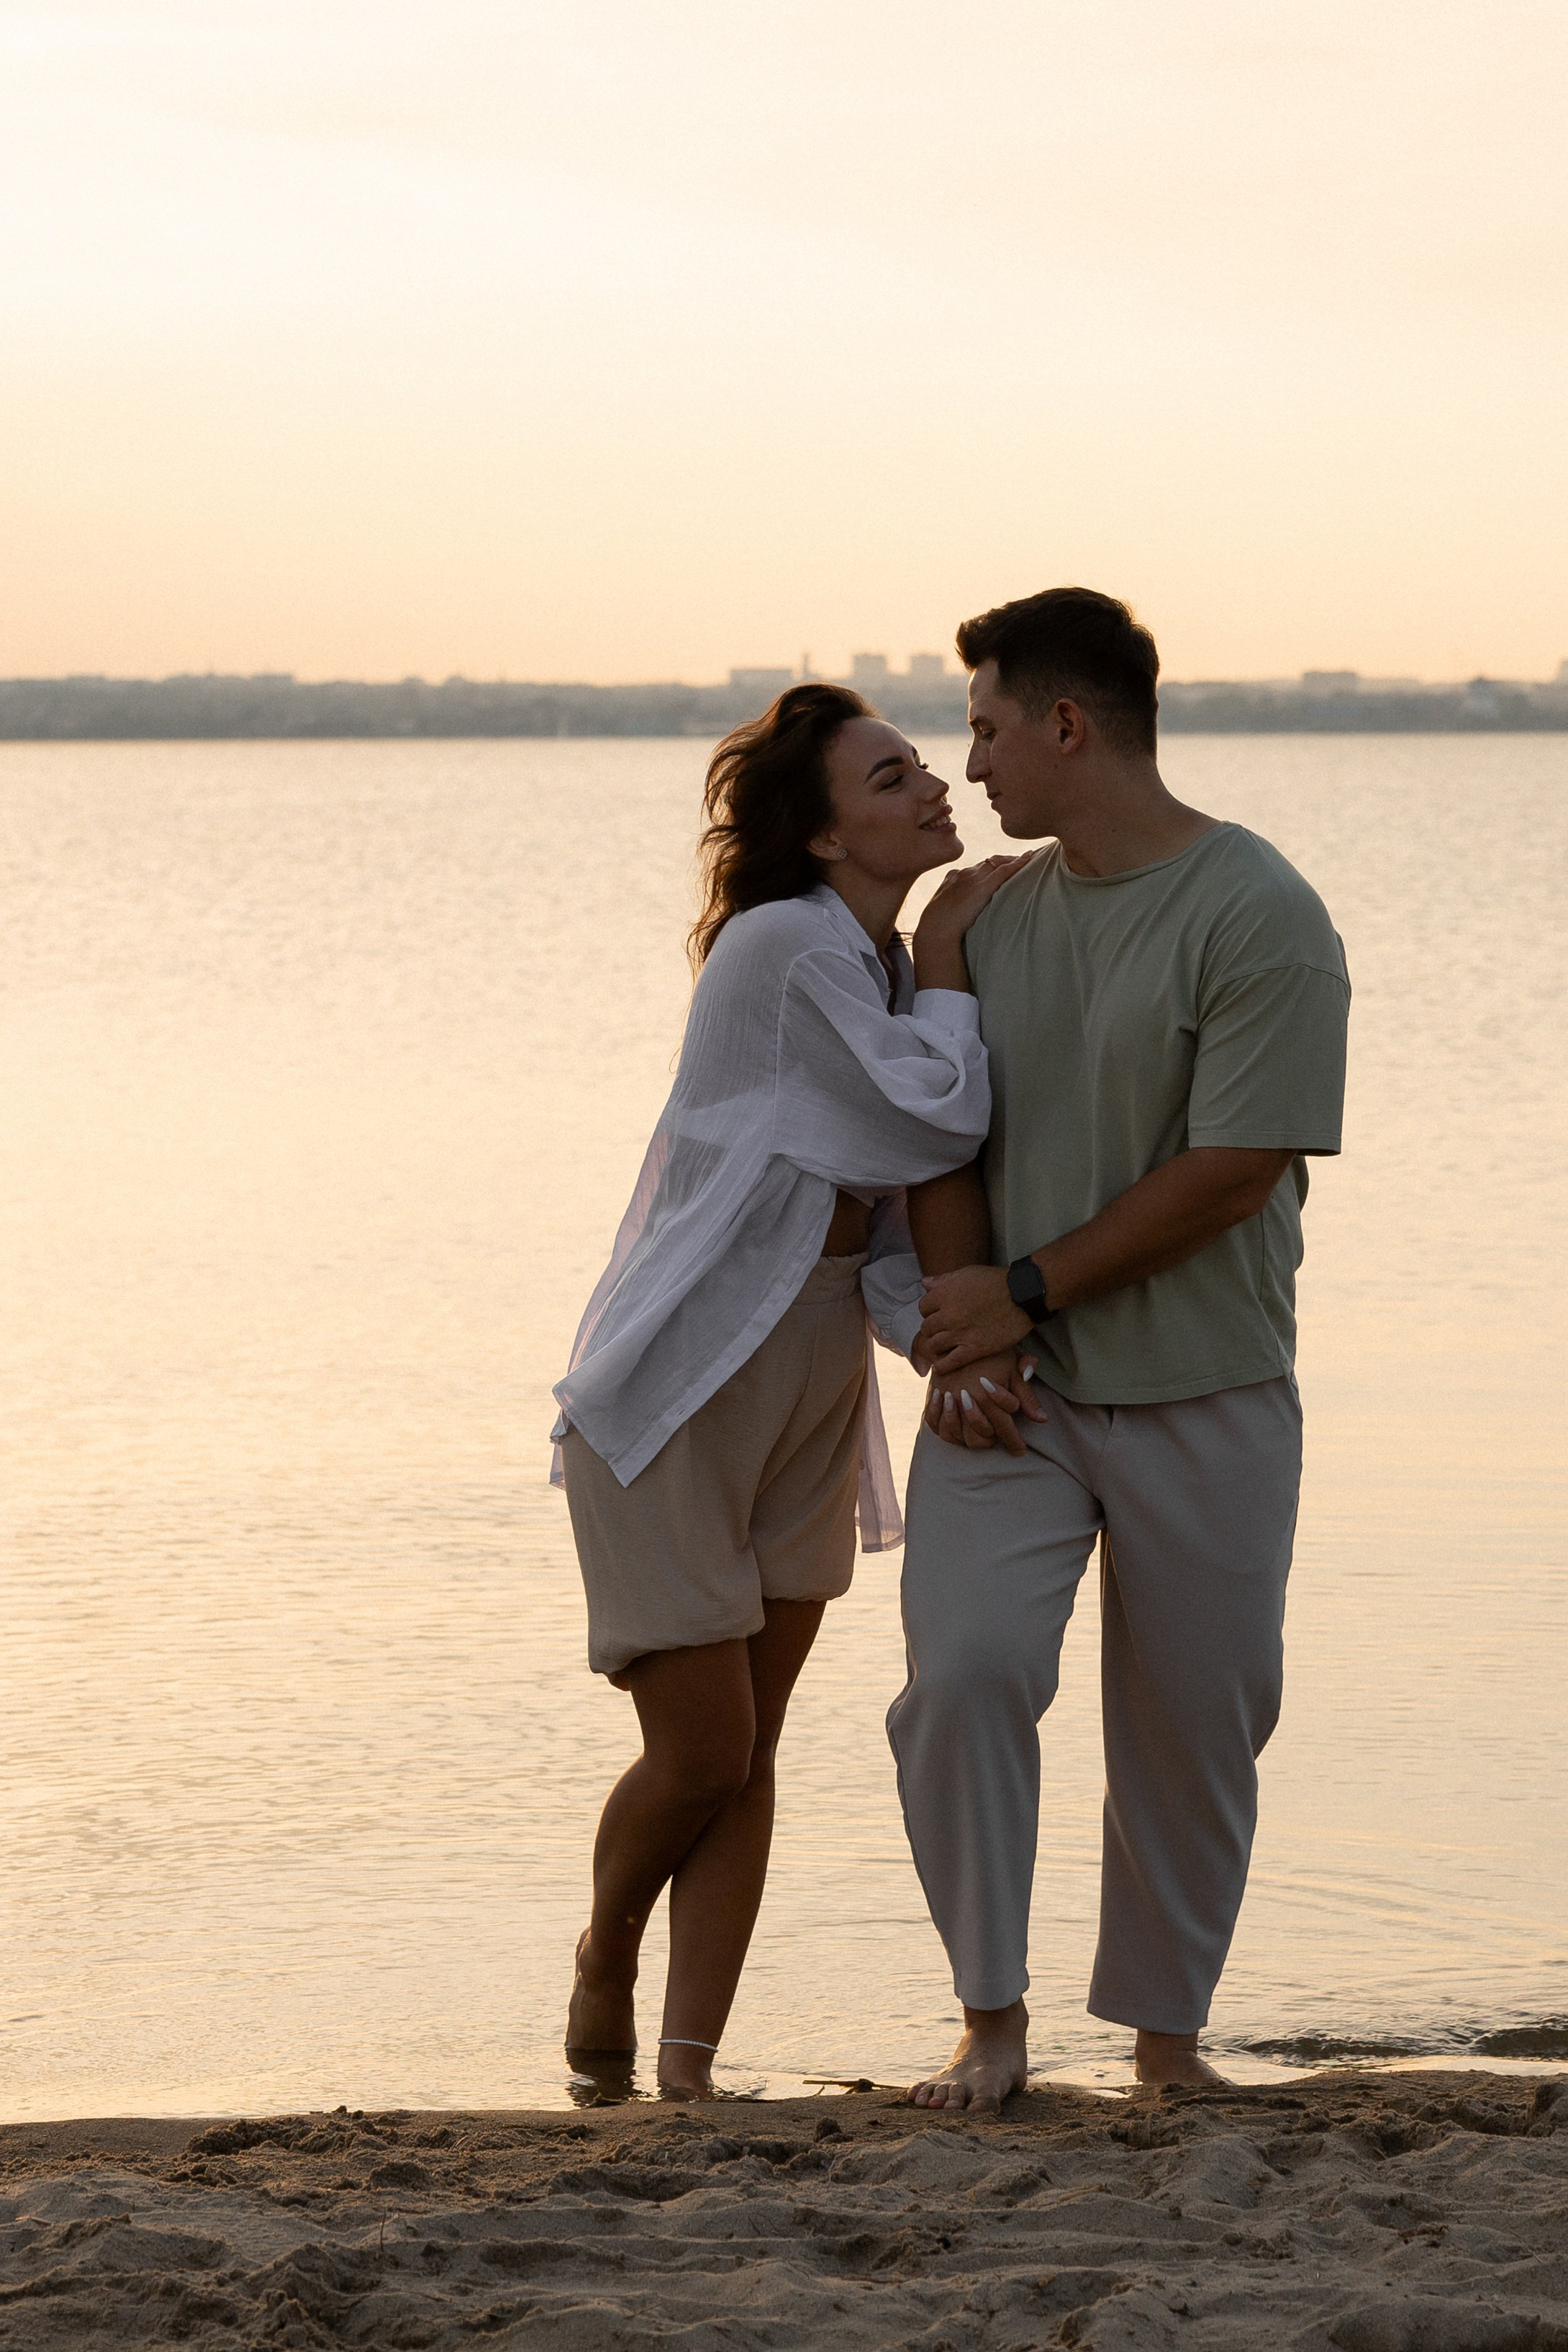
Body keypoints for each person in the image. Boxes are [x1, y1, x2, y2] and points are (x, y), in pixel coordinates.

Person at [877, 587, 1350, 2108]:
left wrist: (1019, 1290)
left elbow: (1236, 1168)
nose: (972, 765)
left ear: (1067, 725)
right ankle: (991, 2017)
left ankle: (1165, 2045)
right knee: (962, 1677)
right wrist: (966, 1330)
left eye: (986, 729)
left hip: (1208, 1385)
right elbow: (939, 1133)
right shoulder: (978, 919)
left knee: (1197, 1722)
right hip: (1014, 1395)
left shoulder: (1258, 910)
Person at [552, 681, 1027, 2100]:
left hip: (811, 1377)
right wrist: (949, 955)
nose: (932, 787)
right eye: (890, 778)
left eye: (925, 765)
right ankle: (605, 1945)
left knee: (750, 1753)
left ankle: (689, 2073)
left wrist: (944, 1350)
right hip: (681, 1385)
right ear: (821, 835)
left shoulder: (871, 969)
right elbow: (936, 1114)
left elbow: (877, 1230)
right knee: (703, 1749)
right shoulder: (783, 947)